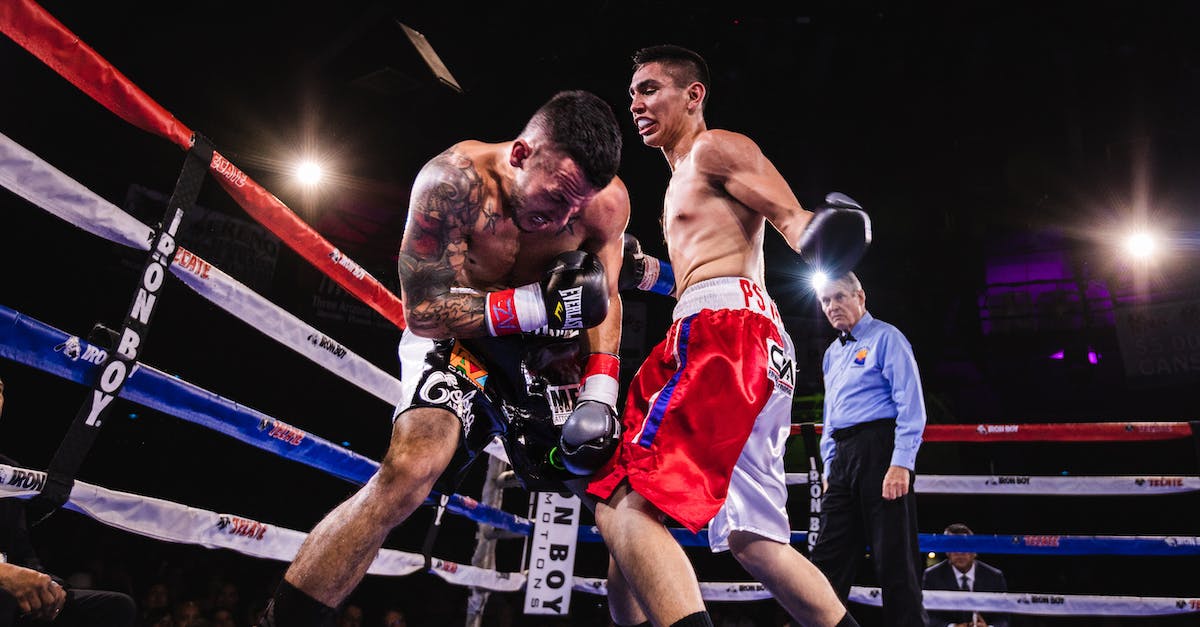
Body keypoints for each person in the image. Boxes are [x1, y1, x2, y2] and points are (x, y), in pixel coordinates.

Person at [260, 89, 629, 626]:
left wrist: (600, 389)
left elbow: (604, 299)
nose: (563, 219)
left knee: (623, 500)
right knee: (409, 472)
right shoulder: (452, 183)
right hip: (457, 340)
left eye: (576, 207)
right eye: (555, 199)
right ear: (522, 154)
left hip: (545, 360)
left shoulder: (604, 204)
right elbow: (425, 311)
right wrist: (531, 305)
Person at [586, 44, 869, 627]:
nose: (635, 102)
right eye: (632, 92)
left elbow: (795, 225)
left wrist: (822, 232)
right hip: (743, 338)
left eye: (649, 88)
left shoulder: (716, 147)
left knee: (623, 503)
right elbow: (704, 267)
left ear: (693, 95)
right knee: (752, 539)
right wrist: (647, 273)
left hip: (721, 336)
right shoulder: (677, 183)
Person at [809, 272, 929, 627]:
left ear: (860, 296)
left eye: (839, 297)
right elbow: (830, 417)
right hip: (843, 459)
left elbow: (911, 405)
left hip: (881, 450)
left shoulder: (887, 338)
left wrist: (901, 464)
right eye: (826, 301)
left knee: (894, 559)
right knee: (828, 555)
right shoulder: (832, 354)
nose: (832, 306)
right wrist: (831, 468)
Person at [0, 375, 137, 627]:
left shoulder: (10, 472)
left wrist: (50, 584)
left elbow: (21, 550)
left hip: (12, 590)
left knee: (115, 608)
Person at [922, 524, 1009, 627]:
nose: (959, 552)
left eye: (965, 546)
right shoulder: (932, 576)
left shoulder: (994, 576)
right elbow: (927, 615)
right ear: (947, 551)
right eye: (954, 546)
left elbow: (1003, 618)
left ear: (974, 551)